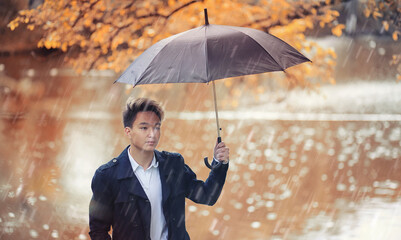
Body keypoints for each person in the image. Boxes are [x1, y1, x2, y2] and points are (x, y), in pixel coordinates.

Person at [89, 97, 229, 240]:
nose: (152, 134)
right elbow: (98, 231)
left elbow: (207, 196)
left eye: (156, 127)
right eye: (144, 128)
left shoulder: (173, 165)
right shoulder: (108, 175)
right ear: (128, 131)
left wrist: (219, 163)